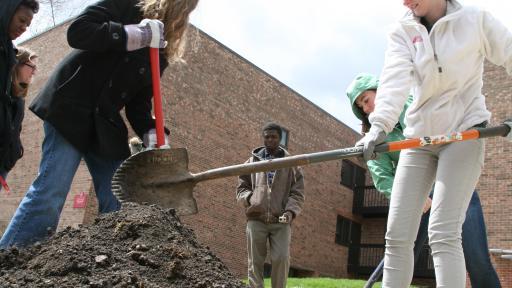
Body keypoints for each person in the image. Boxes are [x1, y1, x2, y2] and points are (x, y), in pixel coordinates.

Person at [0, 0, 199, 249]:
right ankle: (9, 259)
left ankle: (110, 265)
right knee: (52, 192)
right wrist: (129, 34)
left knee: (122, 199)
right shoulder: (126, 6)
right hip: (71, 105)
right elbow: (78, 31)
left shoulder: (160, 50)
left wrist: (153, 133)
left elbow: (139, 104)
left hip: (104, 122)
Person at [356, 0, 512, 287]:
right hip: (419, 138)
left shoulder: (475, 20)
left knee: (443, 232)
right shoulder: (402, 30)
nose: (404, 1)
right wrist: (379, 127)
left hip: (464, 133)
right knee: (397, 236)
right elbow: (393, 82)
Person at [346, 73, 502, 287]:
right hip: (417, 193)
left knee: (476, 258)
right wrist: (376, 133)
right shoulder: (374, 139)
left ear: (381, 91)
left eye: (366, 99)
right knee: (399, 244)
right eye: (360, 106)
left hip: (452, 185)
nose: (365, 108)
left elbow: (419, 123)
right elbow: (381, 175)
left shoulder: (412, 107)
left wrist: (390, 115)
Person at [236, 122, 305, 288]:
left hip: (280, 221)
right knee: (255, 262)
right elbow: (241, 189)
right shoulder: (251, 162)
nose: (270, 140)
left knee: (281, 259)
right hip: (256, 219)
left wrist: (290, 211)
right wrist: (251, 198)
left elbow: (297, 193)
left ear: (279, 139)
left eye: (273, 137)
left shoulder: (291, 164)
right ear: (263, 138)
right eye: (266, 137)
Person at [0, 0, 39, 190]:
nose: (23, 28)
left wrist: (14, 151)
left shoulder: (18, 98)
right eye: (21, 20)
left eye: (28, 25)